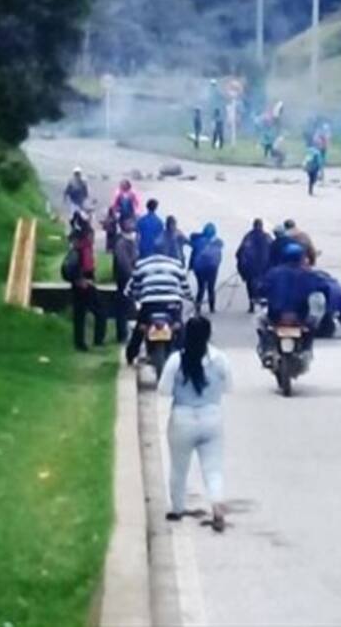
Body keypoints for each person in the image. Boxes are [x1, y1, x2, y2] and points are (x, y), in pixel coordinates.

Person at [159, 316, 232, 531]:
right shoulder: (219, 359)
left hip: (182, 416)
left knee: (179, 467)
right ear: (209, 334)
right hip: (211, 416)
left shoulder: (176, 360)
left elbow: (163, 390)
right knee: (213, 467)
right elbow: (229, 386)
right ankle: (217, 502)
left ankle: (178, 507)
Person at [124, 252, 192, 365]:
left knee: (140, 329)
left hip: (149, 305)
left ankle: (131, 355)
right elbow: (185, 288)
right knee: (179, 328)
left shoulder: (141, 265)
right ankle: (185, 355)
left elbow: (130, 290)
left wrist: (136, 296)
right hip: (172, 305)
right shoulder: (177, 265)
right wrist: (191, 298)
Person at [258, 243, 330, 326]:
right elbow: (324, 287)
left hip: (276, 315)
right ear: (301, 258)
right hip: (301, 316)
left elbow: (261, 289)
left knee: (261, 322)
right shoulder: (309, 274)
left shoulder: (273, 273)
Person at [66, 214, 106, 351]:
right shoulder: (82, 248)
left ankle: (80, 343)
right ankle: (98, 340)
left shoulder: (78, 246)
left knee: (80, 315)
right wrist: (81, 279)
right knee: (100, 311)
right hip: (84, 282)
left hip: (82, 282)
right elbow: (81, 266)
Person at [236, 219, 271, 313]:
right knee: (263, 286)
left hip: (250, 267)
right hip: (264, 266)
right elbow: (273, 250)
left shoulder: (248, 237)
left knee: (250, 286)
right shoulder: (267, 237)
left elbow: (240, 251)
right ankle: (263, 305)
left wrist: (240, 266)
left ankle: (251, 305)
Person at [112, 218, 138, 343]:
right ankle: (122, 335)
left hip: (129, 279)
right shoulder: (121, 243)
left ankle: (125, 333)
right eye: (129, 223)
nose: (132, 226)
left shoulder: (131, 241)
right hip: (124, 280)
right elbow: (123, 264)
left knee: (127, 307)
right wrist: (131, 275)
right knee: (123, 307)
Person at [189, 223, 224, 314]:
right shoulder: (218, 242)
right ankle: (212, 308)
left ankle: (198, 308)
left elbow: (192, 248)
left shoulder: (198, 241)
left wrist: (190, 267)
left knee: (201, 288)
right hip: (212, 268)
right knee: (211, 288)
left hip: (199, 268)